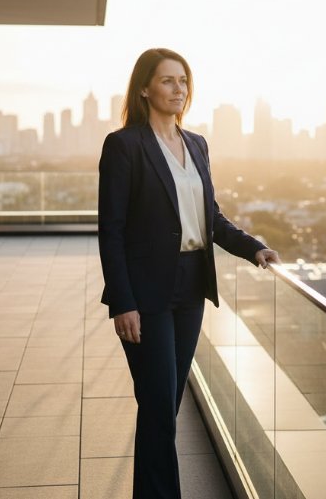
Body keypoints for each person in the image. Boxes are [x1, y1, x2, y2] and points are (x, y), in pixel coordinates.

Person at [98, 47, 280, 499]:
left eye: (183, 81)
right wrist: (123, 302)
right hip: (146, 292)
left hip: (191, 286)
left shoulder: (197, 144)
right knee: (159, 407)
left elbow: (211, 218)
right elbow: (111, 230)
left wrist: (253, 248)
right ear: (144, 88)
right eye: (167, 81)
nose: (178, 89)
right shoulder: (124, 145)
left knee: (164, 407)